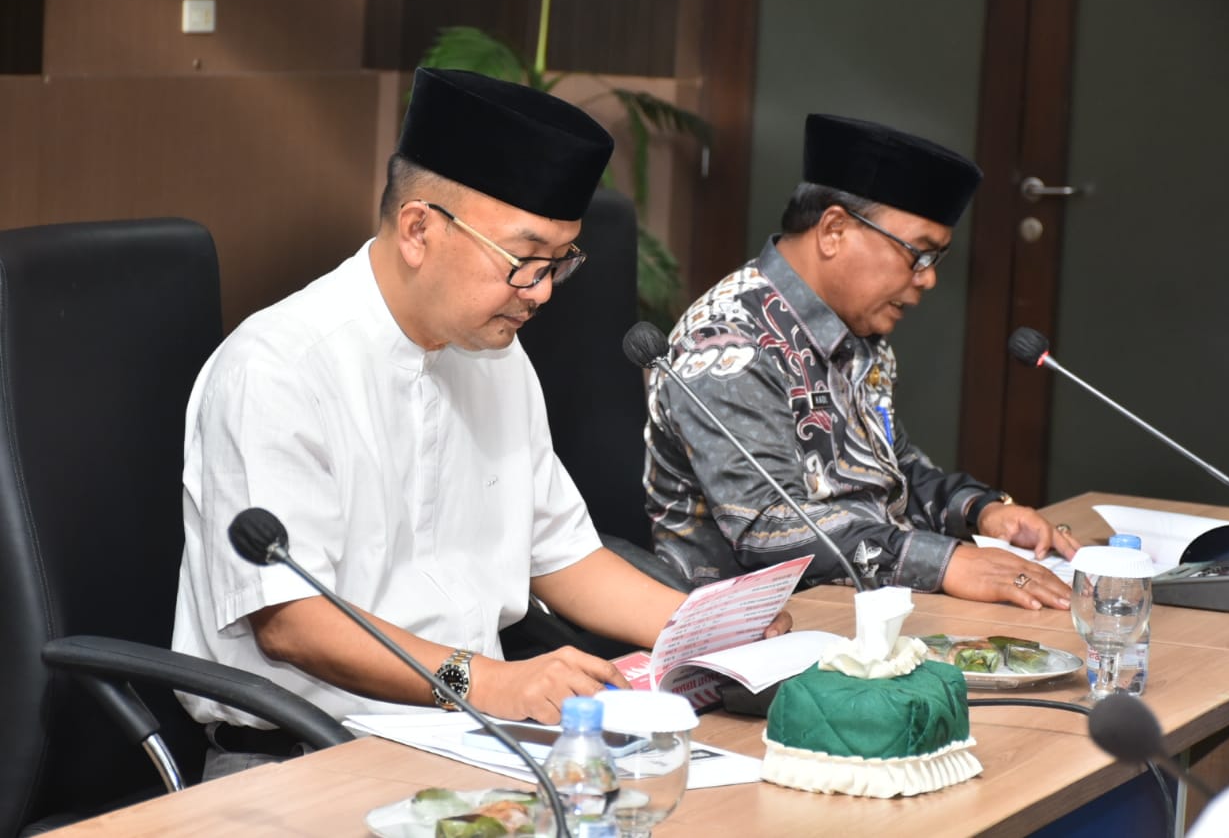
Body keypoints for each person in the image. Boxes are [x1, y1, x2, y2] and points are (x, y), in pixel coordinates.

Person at [172, 68, 789, 774]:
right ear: (417, 229)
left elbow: (566, 558)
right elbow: (292, 623)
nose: (545, 292)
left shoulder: (494, 356)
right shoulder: (277, 367)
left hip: (473, 741)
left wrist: (706, 631)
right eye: (526, 261)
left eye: (562, 263)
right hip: (303, 760)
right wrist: (493, 682)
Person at [643, 113, 1078, 610]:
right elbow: (768, 526)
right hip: (757, 630)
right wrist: (946, 562)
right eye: (918, 254)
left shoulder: (854, 326)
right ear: (834, 230)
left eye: (936, 261)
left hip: (862, 605)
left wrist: (979, 511)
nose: (928, 279)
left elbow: (887, 473)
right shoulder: (727, 343)